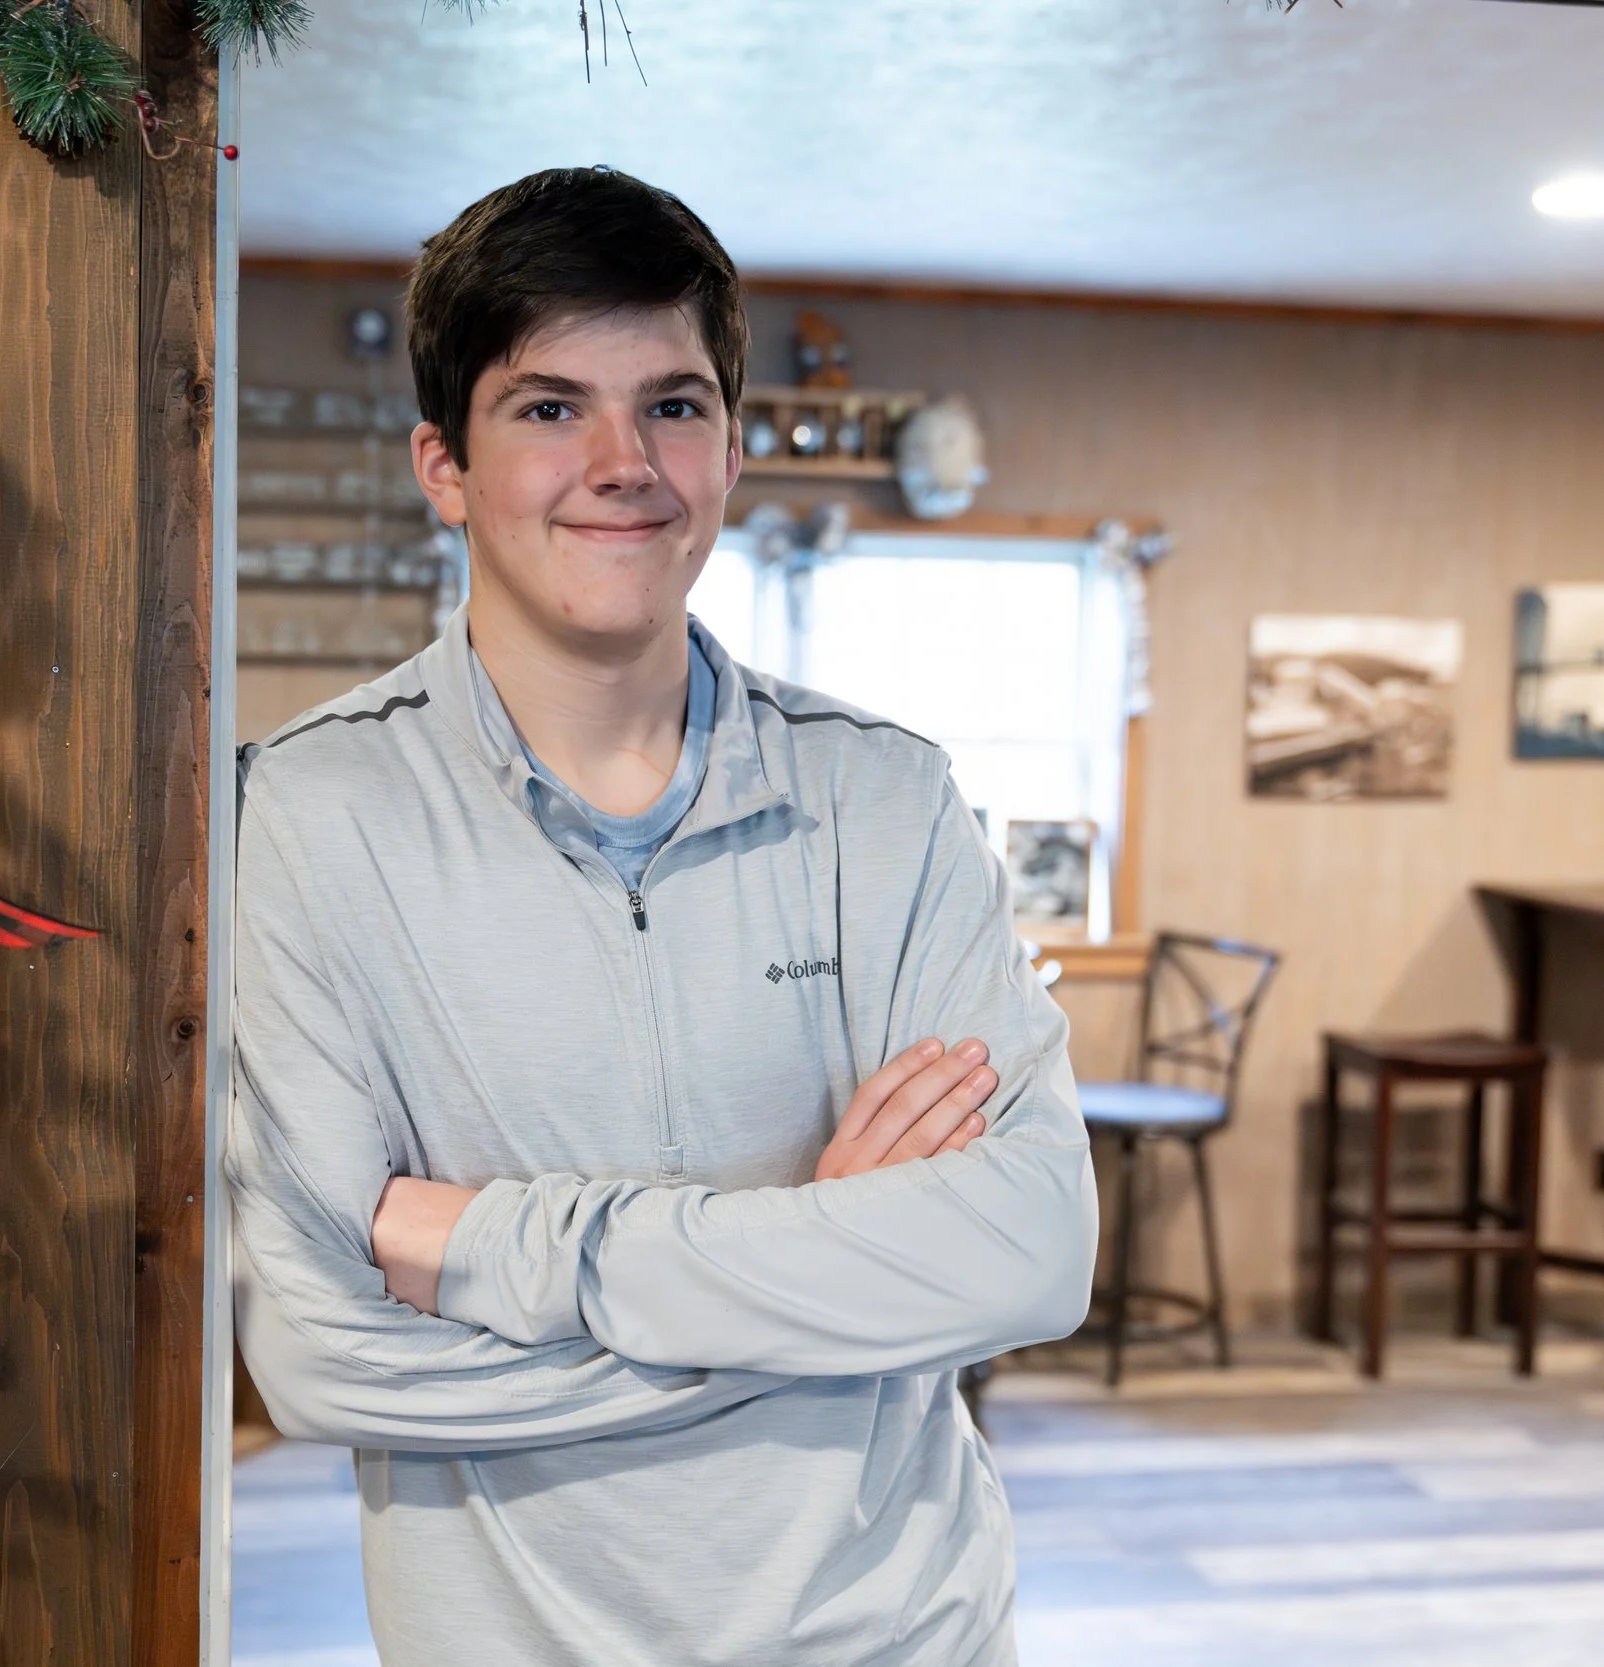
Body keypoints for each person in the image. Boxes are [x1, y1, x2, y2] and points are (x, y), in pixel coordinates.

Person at [229, 165, 1097, 1667]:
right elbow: (317, 1355)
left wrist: (494, 1250)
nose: (622, 461)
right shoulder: (308, 816)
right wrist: (827, 1288)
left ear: (732, 449)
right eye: (550, 406)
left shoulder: (886, 801)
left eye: (674, 406)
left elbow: (1032, 1250)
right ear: (444, 462)